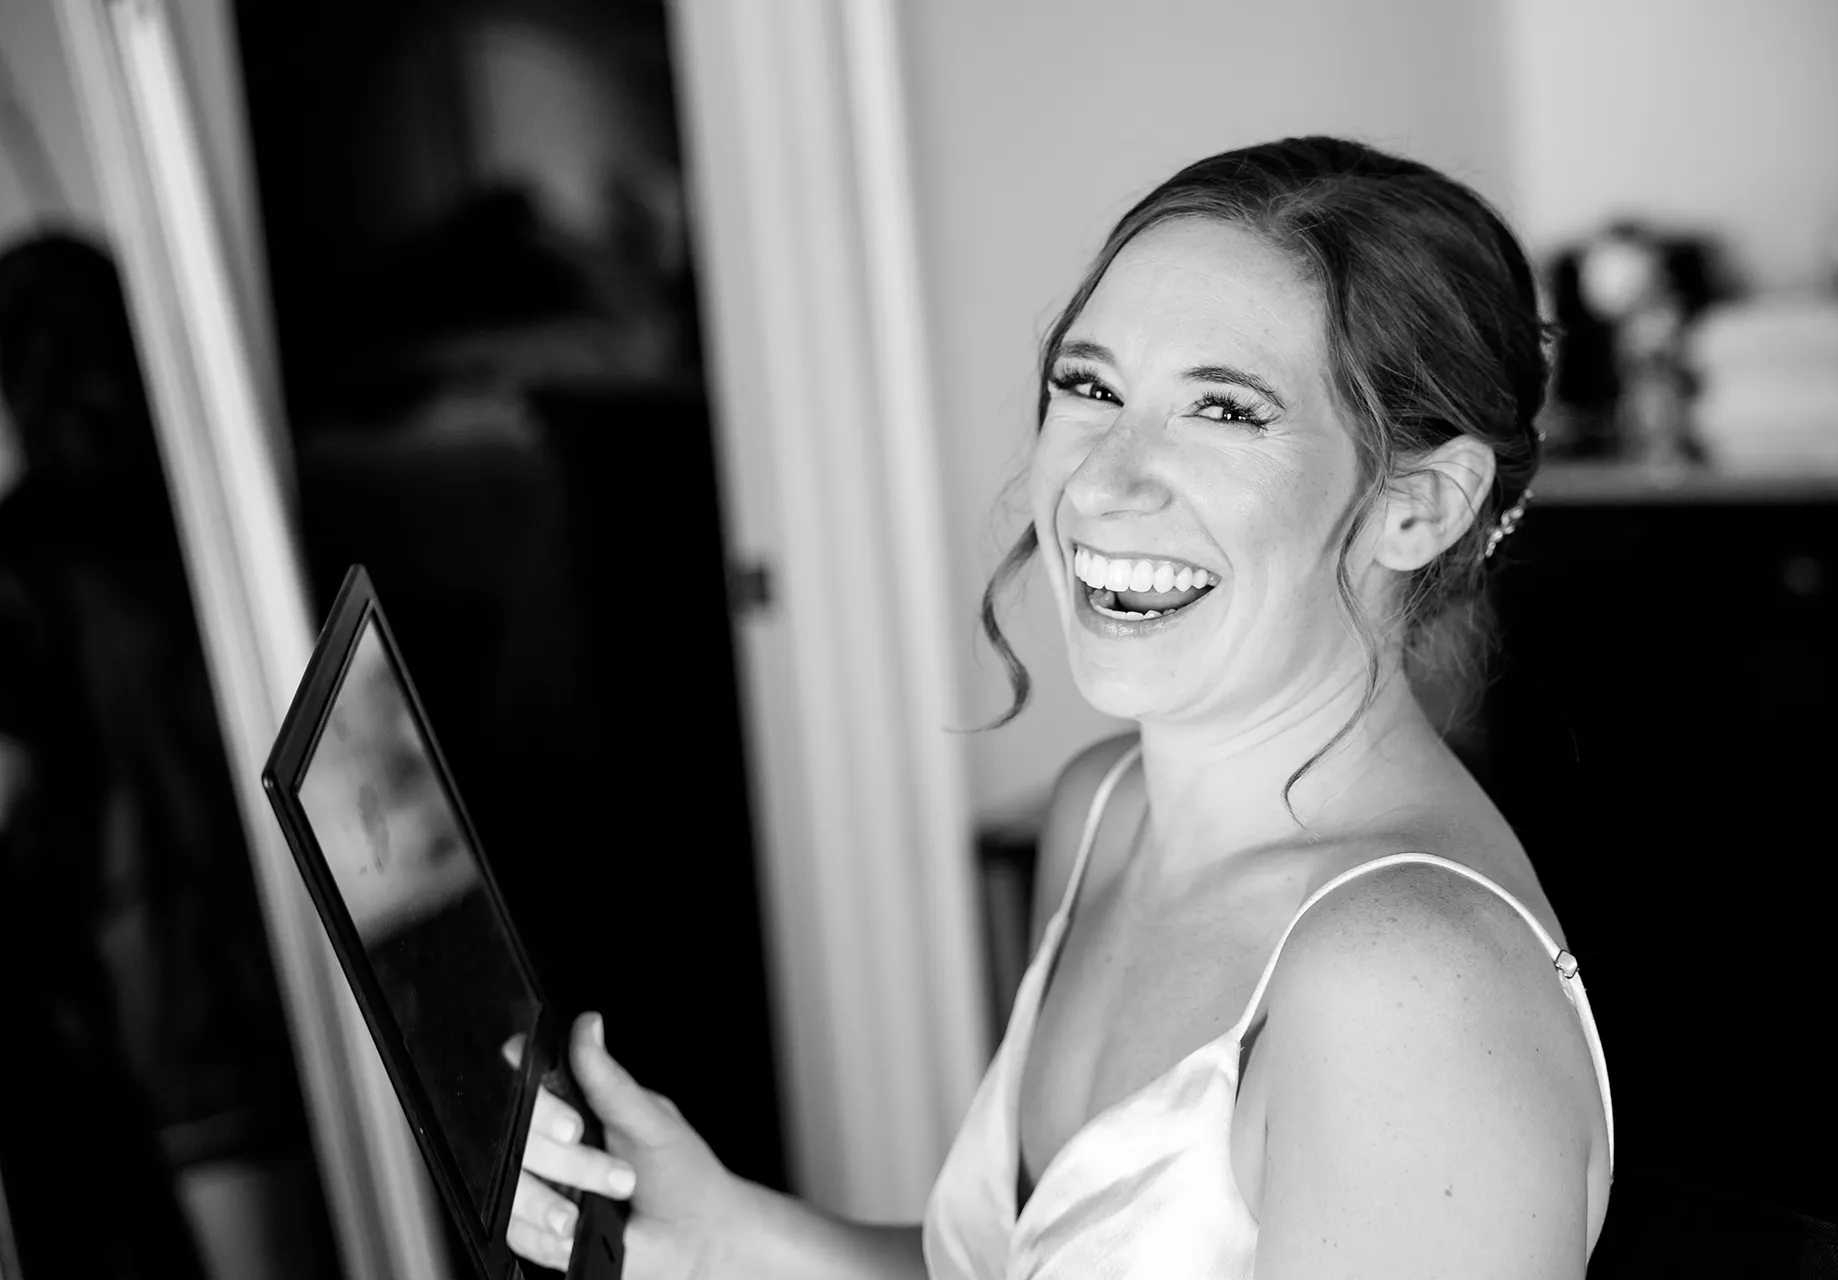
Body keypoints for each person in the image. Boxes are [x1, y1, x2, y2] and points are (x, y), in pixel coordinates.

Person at [506, 136, 1615, 1278]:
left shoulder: (1410, 990)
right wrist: (731, 1236)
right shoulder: (1106, 814)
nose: (1097, 482)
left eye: (1225, 411)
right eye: (1089, 387)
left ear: (1420, 507)